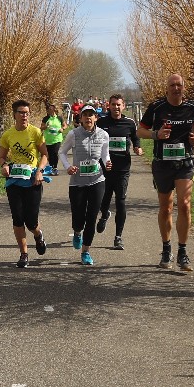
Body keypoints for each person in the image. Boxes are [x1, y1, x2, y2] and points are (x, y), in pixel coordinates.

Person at [138, 74, 194, 272]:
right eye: (172, 85)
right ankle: (166, 249)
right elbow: (140, 131)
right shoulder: (156, 108)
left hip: (185, 163)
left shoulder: (192, 107)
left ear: (184, 87)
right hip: (163, 164)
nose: (176, 88)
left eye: (179, 85)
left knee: (184, 204)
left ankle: (183, 252)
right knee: (166, 208)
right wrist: (156, 135)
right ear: (166, 88)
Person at [0, 98, 50, 268]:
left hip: (33, 180)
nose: (24, 116)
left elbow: (45, 155)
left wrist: (40, 171)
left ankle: (38, 234)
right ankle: (24, 254)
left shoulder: (36, 132)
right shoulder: (8, 135)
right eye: (21, 112)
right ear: (14, 115)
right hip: (14, 181)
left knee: (31, 221)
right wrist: (4, 165)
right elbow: (1, 157)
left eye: (27, 113)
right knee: (18, 219)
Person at [62, 104, 114, 266]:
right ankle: (77, 232)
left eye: (91, 115)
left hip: (97, 181)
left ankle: (86, 252)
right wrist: (68, 166)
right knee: (78, 218)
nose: (88, 118)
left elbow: (105, 154)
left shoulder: (103, 135)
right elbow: (61, 152)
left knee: (91, 218)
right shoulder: (73, 134)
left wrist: (107, 162)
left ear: (96, 118)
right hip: (77, 182)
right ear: (81, 118)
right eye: (85, 115)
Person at [94, 94, 143, 249]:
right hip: (105, 168)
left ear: (123, 106)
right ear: (108, 106)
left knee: (120, 201)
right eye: (113, 104)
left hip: (122, 168)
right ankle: (104, 214)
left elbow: (136, 137)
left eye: (118, 104)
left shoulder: (129, 123)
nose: (116, 107)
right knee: (103, 199)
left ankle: (118, 237)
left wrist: (137, 147)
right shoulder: (101, 122)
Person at [41, 102, 67, 172]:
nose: (49, 111)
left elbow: (65, 125)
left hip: (57, 139)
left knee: (55, 153)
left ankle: (55, 167)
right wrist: (45, 126)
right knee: (49, 154)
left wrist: (62, 129)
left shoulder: (59, 118)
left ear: (54, 110)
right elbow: (41, 127)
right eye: (48, 109)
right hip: (48, 139)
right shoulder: (46, 118)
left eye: (50, 109)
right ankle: (51, 166)